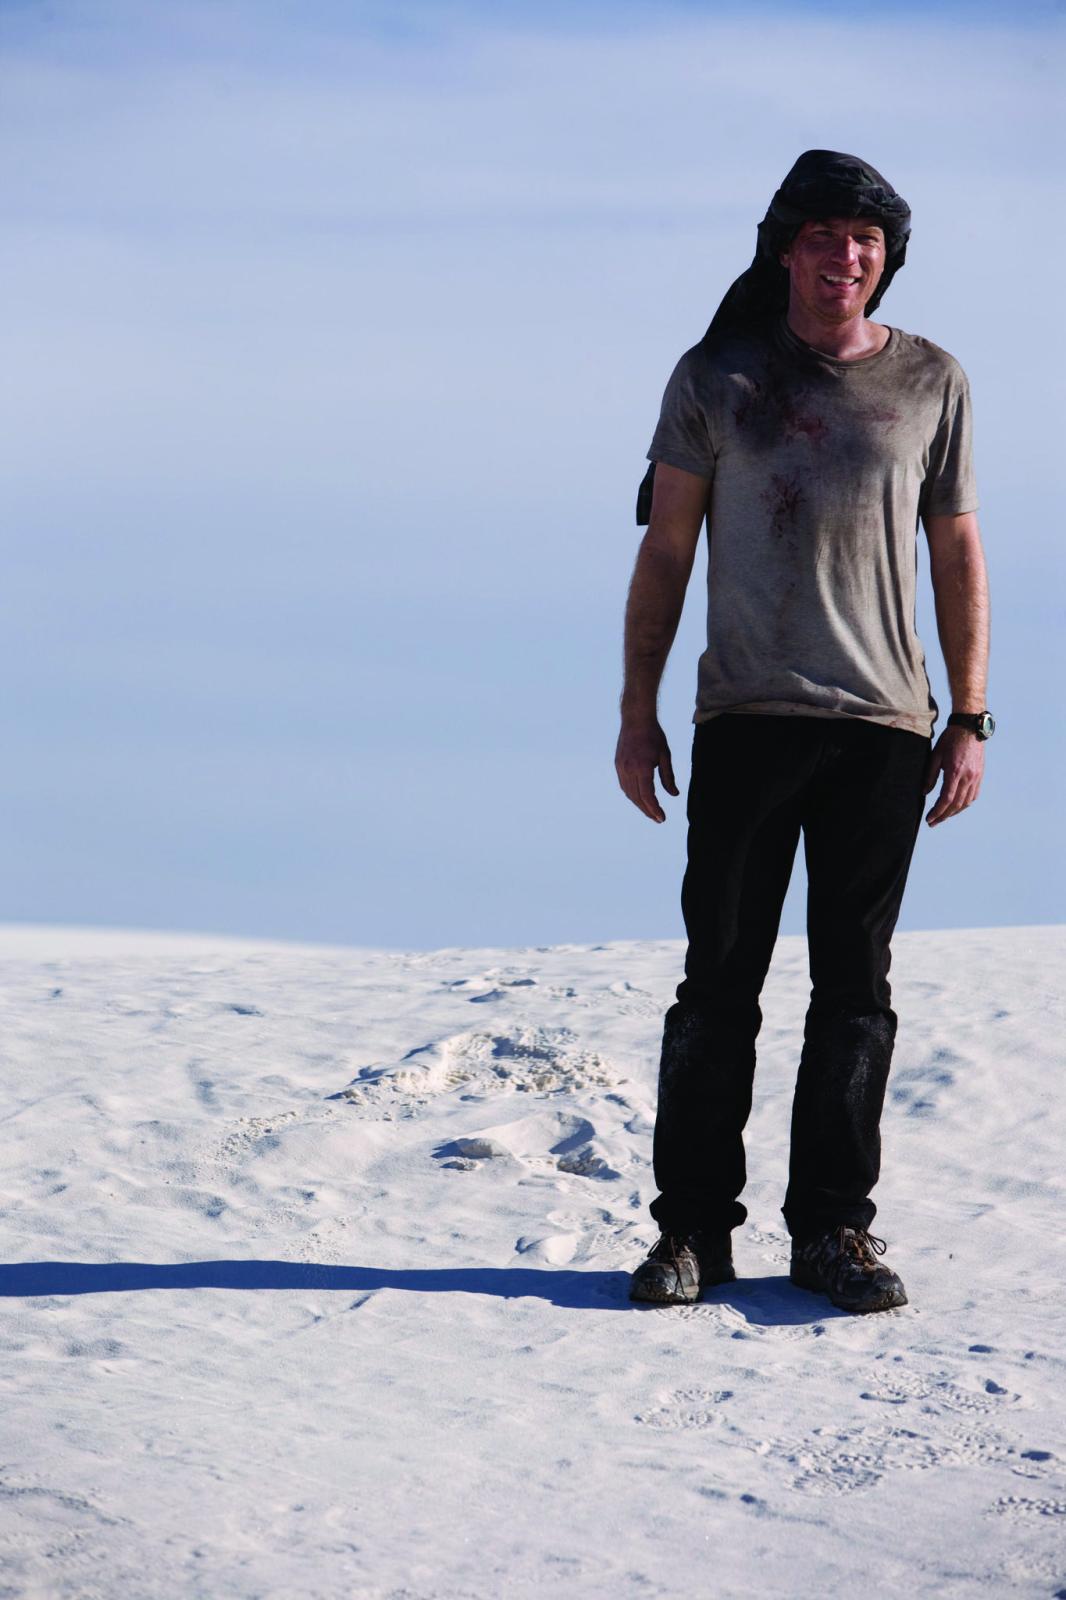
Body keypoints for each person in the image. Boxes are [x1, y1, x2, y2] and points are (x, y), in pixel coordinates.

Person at [615, 150, 992, 1315]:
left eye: (865, 240)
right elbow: (666, 549)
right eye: (823, 236)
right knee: (716, 982)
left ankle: (832, 1229)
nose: (845, 257)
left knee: (854, 988)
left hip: (882, 723)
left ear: (887, 259)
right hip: (745, 717)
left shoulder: (930, 380)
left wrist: (968, 713)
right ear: (784, 249)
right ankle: (690, 1232)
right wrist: (636, 711)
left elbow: (956, 551)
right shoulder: (717, 376)